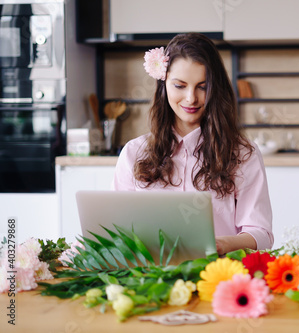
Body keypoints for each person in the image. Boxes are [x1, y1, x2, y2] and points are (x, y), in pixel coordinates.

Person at [112, 33, 273, 255]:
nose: (191, 98)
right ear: (164, 85)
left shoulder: (243, 154)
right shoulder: (134, 153)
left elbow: (261, 234)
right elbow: (116, 230)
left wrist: (224, 244)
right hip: (150, 280)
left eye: (203, 87)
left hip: (218, 277)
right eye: (179, 85)